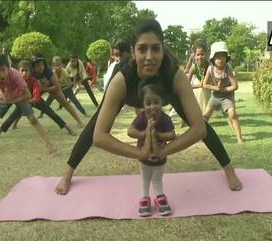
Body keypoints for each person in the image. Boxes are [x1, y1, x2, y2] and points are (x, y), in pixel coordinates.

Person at [55, 18, 242, 195]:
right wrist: (140, 153)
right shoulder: (121, 79)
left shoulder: (174, 75)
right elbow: (99, 136)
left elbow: (199, 129)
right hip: (132, 94)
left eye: (155, 49)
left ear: (163, 50)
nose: (149, 57)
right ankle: (67, 173)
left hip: (163, 95)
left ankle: (229, 169)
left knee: (199, 122)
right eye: (142, 49)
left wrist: (162, 151)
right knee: (96, 122)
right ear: (133, 52)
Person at [0, 53, 56, 155]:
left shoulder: (16, 76)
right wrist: (2, 100)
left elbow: (28, 95)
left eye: (3, 70)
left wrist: (12, 101)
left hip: (20, 96)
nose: (1, 74)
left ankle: (49, 145)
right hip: (4, 97)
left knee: (33, 119)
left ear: (8, 67)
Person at [0, 60, 77, 139]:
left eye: (26, 70)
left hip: (36, 101)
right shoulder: (16, 81)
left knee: (51, 113)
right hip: (24, 102)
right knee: (12, 117)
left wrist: (27, 101)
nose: (24, 73)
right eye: (22, 70)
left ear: (30, 71)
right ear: (18, 71)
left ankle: (68, 128)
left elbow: (36, 96)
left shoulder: (33, 80)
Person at [128, 76, 176, 217]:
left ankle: (160, 197)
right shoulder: (142, 117)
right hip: (144, 157)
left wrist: (158, 135)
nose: (152, 106)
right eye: (148, 103)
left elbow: (172, 135)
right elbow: (130, 131)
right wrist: (145, 133)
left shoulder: (165, 118)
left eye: (156, 102)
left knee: (157, 179)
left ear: (162, 102)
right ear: (143, 105)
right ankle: (145, 198)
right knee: (145, 178)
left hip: (160, 157)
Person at [202, 41, 245, 145]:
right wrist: (216, 88)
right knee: (206, 115)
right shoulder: (210, 69)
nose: (220, 59)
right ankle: (200, 134)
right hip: (215, 95)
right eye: (217, 57)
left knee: (232, 114)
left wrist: (224, 90)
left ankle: (239, 137)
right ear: (213, 58)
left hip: (227, 96)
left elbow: (235, 86)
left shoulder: (228, 69)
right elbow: (204, 84)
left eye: (222, 56)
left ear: (226, 57)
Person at [32, 53, 84, 128]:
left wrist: (44, 89)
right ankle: (15, 123)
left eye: (41, 65)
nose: (39, 68)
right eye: (36, 66)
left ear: (44, 64)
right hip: (38, 88)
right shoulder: (31, 73)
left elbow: (57, 87)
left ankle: (79, 121)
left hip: (51, 87)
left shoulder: (48, 72)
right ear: (33, 66)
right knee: (26, 103)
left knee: (65, 102)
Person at [187, 42, 211, 114]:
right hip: (196, 91)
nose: (200, 57)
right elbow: (187, 85)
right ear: (194, 56)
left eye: (202, 54)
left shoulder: (210, 66)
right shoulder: (194, 67)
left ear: (206, 54)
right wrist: (198, 85)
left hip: (207, 91)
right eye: (198, 55)